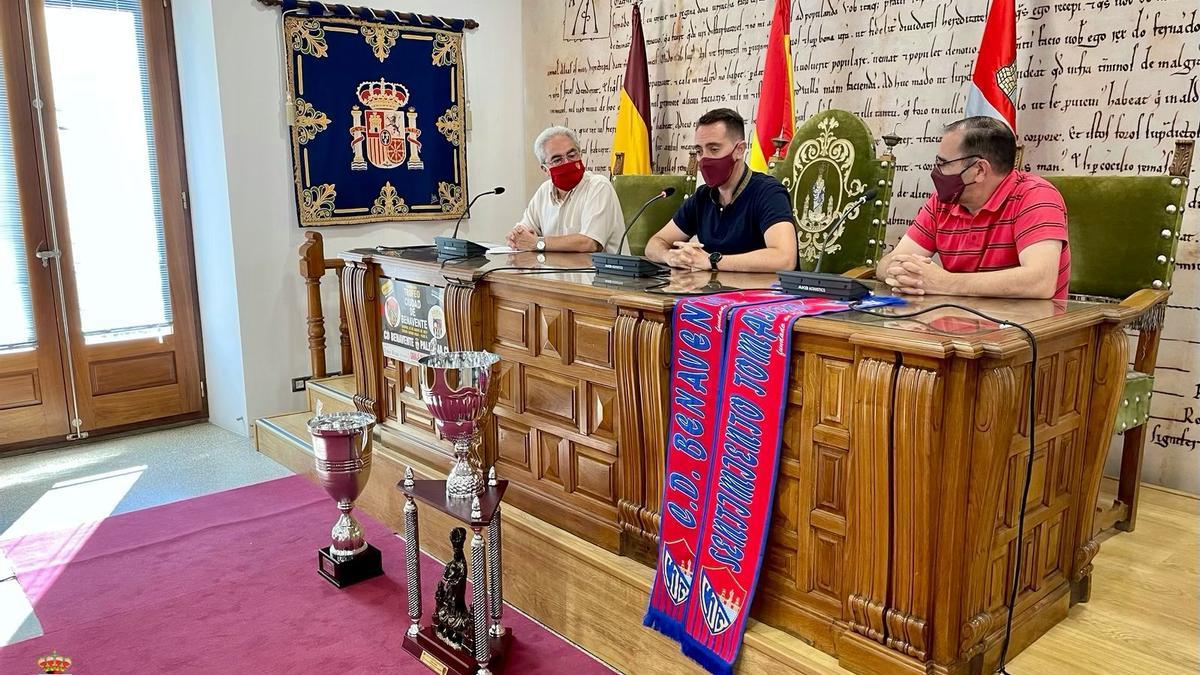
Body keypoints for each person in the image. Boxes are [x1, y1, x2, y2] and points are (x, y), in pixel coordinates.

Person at [875, 116, 1071, 300]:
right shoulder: (942, 202)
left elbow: (1040, 282)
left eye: (942, 163)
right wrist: (904, 274)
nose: (936, 171)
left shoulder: (1036, 196)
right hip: (953, 326)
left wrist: (944, 283)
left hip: (1024, 330)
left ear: (979, 170)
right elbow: (888, 263)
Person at [643, 108, 797, 273]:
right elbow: (654, 244)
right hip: (714, 294)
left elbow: (785, 259)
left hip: (764, 295)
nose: (704, 159)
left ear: (739, 150)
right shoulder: (702, 196)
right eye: (699, 151)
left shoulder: (768, 192)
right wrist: (670, 256)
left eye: (714, 149)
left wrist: (712, 260)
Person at [506, 126, 624, 253]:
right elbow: (524, 230)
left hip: (598, 272)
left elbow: (588, 244)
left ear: (580, 154)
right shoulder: (544, 191)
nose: (567, 162)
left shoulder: (599, 186)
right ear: (545, 169)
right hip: (555, 271)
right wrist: (516, 237)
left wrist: (538, 243)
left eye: (572, 155)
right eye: (557, 160)